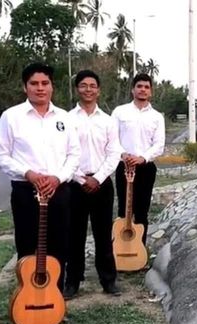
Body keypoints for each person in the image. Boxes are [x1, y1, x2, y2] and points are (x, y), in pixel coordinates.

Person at [0, 62, 80, 292]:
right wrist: (28, 173)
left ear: (52, 87)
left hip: (58, 191)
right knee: (27, 247)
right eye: (34, 84)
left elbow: (74, 154)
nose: (39, 88)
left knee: (59, 246)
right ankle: (28, 298)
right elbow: (1, 154)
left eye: (45, 83)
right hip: (25, 192)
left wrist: (57, 178)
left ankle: (55, 298)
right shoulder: (11, 117)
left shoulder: (65, 118)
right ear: (25, 87)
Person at [64, 70, 123, 299]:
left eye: (92, 86)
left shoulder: (108, 121)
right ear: (77, 89)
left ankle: (108, 280)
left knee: (103, 233)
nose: (88, 89)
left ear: (98, 90)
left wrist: (97, 178)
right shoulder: (67, 120)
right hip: (75, 184)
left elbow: (114, 152)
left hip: (102, 184)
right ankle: (73, 282)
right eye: (83, 85)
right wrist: (81, 178)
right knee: (74, 235)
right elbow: (64, 153)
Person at [110, 73, 165, 245]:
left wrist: (143, 158)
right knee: (123, 210)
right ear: (133, 90)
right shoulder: (120, 112)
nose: (143, 89)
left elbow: (159, 145)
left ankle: (139, 250)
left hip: (145, 168)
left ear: (151, 92)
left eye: (146, 87)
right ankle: (120, 248)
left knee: (142, 211)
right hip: (124, 166)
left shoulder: (157, 116)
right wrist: (124, 155)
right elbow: (112, 139)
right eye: (139, 86)